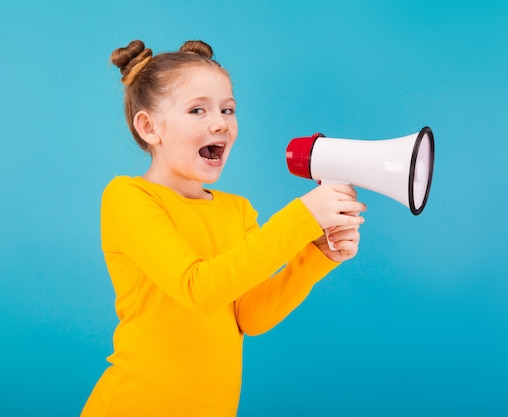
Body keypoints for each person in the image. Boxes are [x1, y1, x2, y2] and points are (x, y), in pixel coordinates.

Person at [81, 39, 366, 416]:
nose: (220, 122)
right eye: (197, 109)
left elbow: (250, 316)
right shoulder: (128, 198)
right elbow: (198, 288)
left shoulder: (238, 211)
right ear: (150, 127)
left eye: (227, 109)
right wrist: (301, 218)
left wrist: (317, 255)